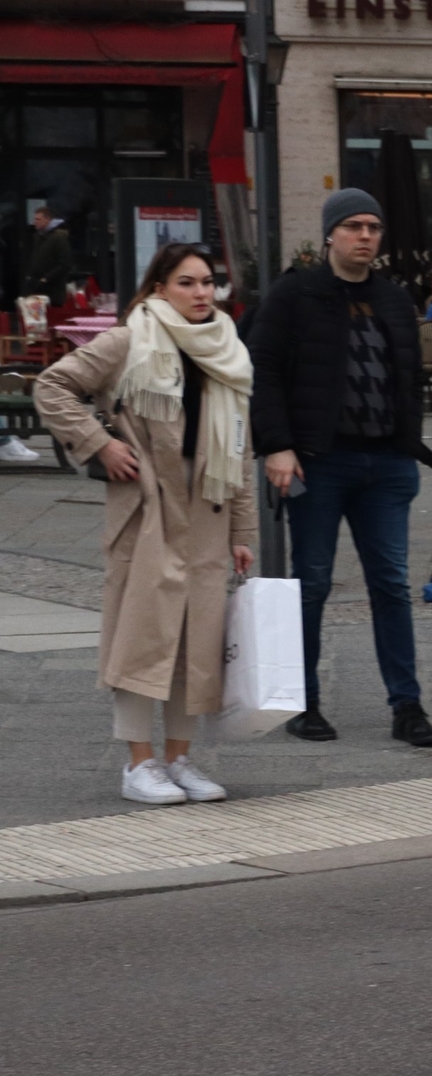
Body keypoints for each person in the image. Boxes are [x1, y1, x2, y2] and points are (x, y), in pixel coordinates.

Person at [33, 243, 256, 805]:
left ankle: (179, 759)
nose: (202, 293)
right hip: (149, 505)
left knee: (196, 641)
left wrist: (244, 534)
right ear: (159, 288)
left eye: (208, 282)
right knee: (142, 636)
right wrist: (99, 442)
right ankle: (138, 764)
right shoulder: (130, 339)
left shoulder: (227, 348)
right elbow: (51, 387)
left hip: (209, 503)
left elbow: (240, 446)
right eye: (187, 282)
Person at [247, 187, 432, 746]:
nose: (365, 236)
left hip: (385, 463)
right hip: (318, 461)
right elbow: (262, 370)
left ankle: (407, 706)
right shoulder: (295, 294)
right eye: (354, 226)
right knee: (311, 583)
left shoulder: (393, 298)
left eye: (374, 227)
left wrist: (409, 443)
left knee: (391, 583)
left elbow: (404, 377)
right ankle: (303, 702)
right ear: (330, 233)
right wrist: (277, 445)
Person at [25, 206, 75, 307]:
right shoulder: (38, 237)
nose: (35, 222)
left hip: (53, 291)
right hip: (37, 288)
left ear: (47, 219)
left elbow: (65, 264)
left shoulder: (59, 237)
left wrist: (46, 278)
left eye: (38, 219)